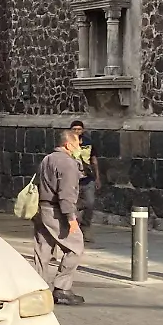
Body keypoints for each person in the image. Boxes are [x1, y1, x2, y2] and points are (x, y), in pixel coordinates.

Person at [32, 129, 86, 306]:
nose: (79, 146)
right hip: (57, 211)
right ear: (68, 144)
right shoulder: (67, 163)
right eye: (77, 143)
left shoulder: (47, 159)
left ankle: (38, 287)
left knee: (43, 250)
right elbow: (66, 193)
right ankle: (62, 288)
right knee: (76, 247)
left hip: (42, 207)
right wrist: (71, 219)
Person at [69, 120, 101, 242]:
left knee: (90, 203)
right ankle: (74, 229)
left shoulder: (88, 143)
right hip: (72, 179)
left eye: (79, 129)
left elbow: (94, 160)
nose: (77, 131)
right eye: (74, 129)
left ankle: (85, 226)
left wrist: (97, 177)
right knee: (72, 205)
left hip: (87, 178)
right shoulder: (68, 144)